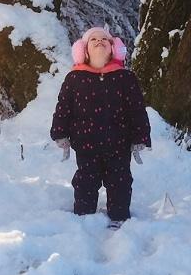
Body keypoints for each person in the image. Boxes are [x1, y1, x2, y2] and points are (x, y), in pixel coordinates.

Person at [50, 26, 152, 228]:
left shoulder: (125, 77)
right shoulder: (75, 78)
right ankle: (84, 219)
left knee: (120, 182)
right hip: (86, 144)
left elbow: (137, 109)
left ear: (114, 48)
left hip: (119, 144)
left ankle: (120, 218)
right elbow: (63, 107)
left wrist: (140, 136)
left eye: (104, 39)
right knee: (85, 182)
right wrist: (60, 133)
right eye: (93, 39)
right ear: (84, 50)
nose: (99, 41)